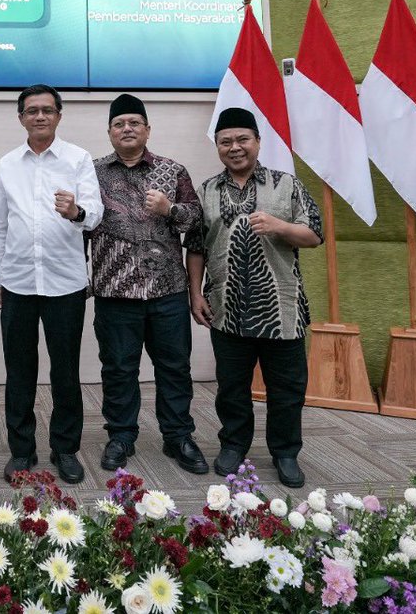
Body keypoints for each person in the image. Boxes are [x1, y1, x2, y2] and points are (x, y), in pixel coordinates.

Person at [184, 107, 323, 489]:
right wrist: (195, 293)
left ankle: (286, 453)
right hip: (226, 309)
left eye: (242, 139)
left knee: (287, 390)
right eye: (225, 141)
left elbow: (315, 235)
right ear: (217, 146)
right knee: (231, 389)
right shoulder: (206, 191)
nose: (235, 147)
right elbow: (195, 246)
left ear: (258, 142)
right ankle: (233, 446)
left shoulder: (286, 184)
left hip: (282, 309)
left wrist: (280, 226)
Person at [87, 94, 208, 474]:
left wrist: (169, 209)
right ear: (110, 131)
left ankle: (178, 436)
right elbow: (78, 228)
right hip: (114, 291)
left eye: (134, 123)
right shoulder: (91, 173)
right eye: (119, 123)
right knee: (118, 369)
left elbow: (197, 223)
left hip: (166, 292)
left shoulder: (173, 171)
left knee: (174, 367)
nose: (127, 129)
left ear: (147, 129)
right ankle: (121, 436)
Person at [0, 84, 103, 484]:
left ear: (59, 115)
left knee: (65, 371)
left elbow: (95, 214)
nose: (40, 116)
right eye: (32, 110)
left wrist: (76, 211)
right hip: (17, 282)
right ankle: (22, 450)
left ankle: (65, 448)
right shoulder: (7, 163)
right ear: (21, 117)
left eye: (47, 110)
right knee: (19, 372)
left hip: (65, 283)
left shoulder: (78, 158)